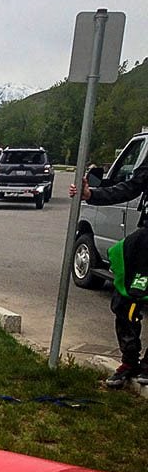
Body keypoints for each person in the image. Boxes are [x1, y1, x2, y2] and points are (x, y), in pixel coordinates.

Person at [70, 161, 148, 388]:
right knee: (126, 300)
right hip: (144, 242)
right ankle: (129, 361)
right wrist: (90, 194)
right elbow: (129, 187)